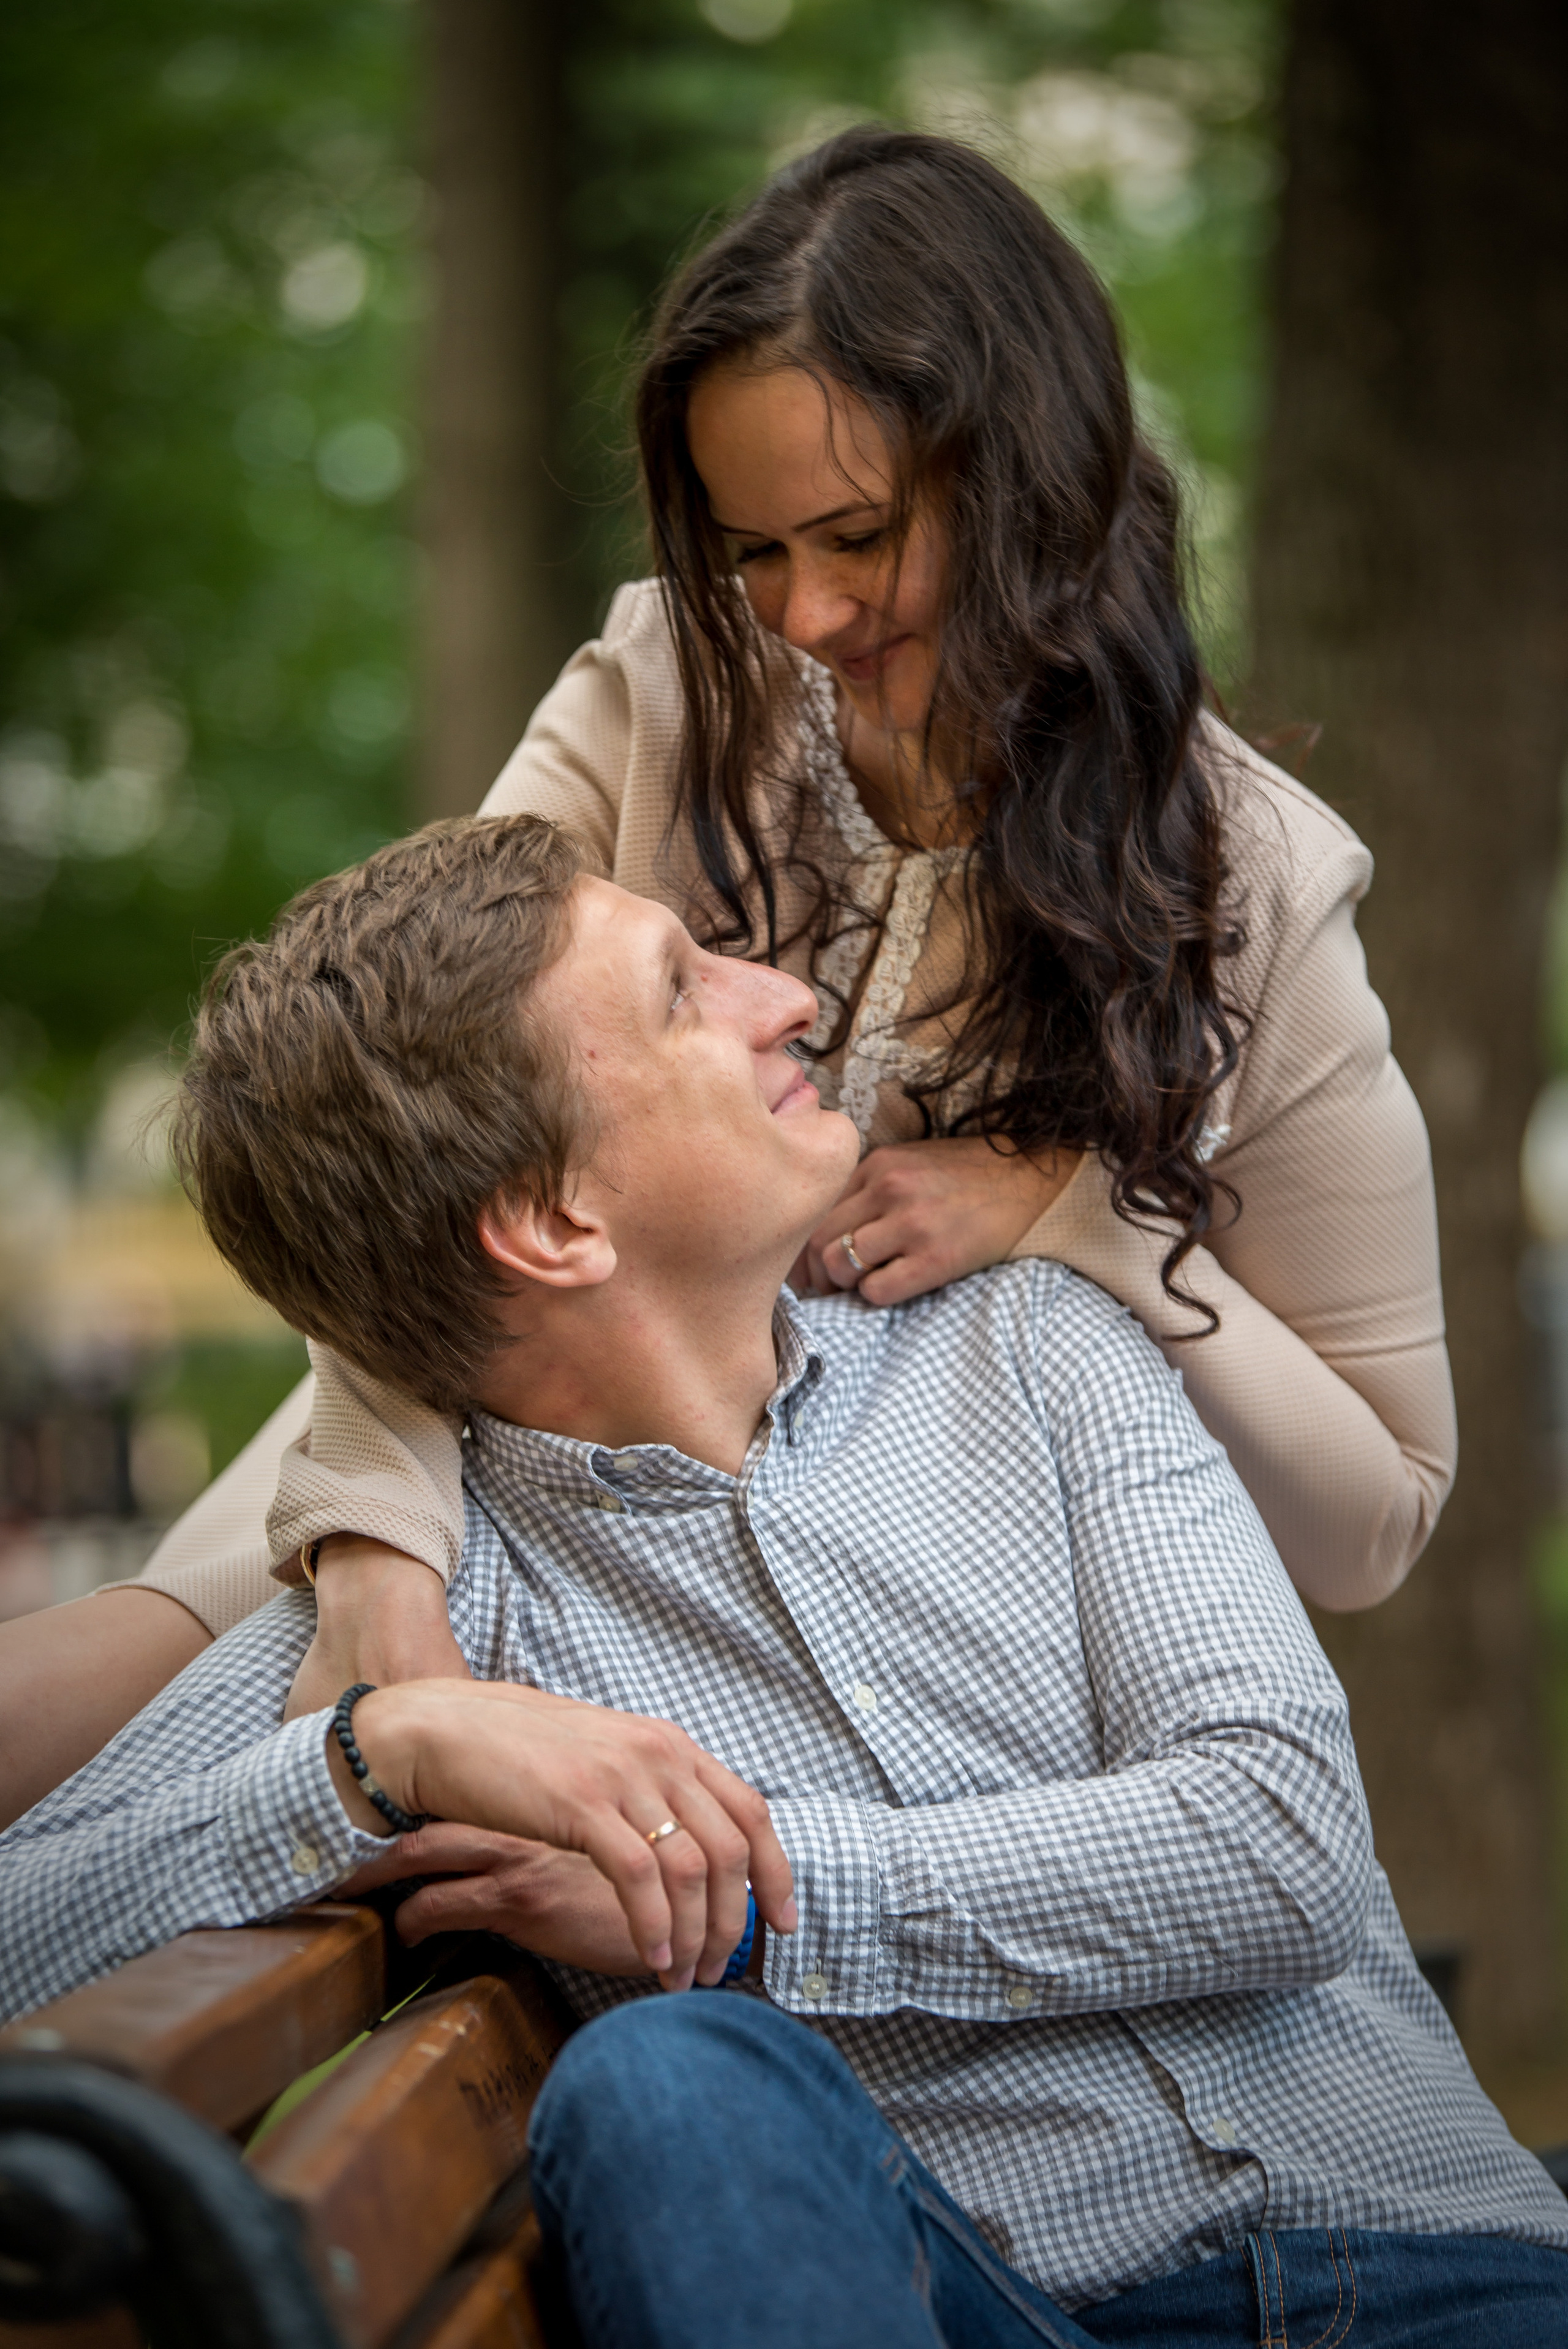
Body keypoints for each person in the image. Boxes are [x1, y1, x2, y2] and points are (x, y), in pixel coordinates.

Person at [0, 126, 1457, 1823]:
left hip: (948, 1638)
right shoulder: (654, 701)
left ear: (1029, 479)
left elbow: (1380, 1516)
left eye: (858, 535)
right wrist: (378, 1547)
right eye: (753, 552)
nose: (807, 615)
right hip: (477, 1454)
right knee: (171, 1656)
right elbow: (402, 1130)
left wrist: (1076, 1216)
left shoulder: (1250, 886)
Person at [0, 817, 1558, 2349]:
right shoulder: (426, 1639)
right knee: (666, 2081)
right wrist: (370, 1760)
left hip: (1443, 2269)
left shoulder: (1033, 1347)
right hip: (994, 2307)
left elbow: (1275, 1842)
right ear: (552, 1223)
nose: (791, 998)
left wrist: (745, 1904)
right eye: (685, 990)